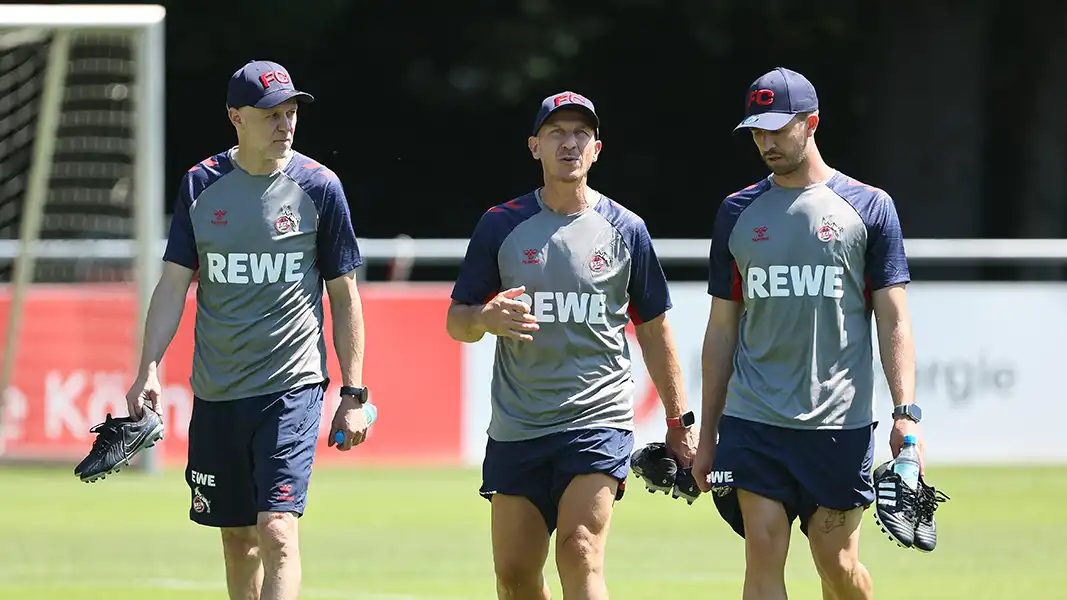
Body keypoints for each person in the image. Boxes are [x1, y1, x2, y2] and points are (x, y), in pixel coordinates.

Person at [76, 60, 370, 600]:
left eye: (291, 114)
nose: (285, 126)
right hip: (217, 392)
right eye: (270, 115)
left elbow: (343, 293)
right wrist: (147, 369)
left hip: (293, 387)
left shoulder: (319, 186)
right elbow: (172, 286)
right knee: (237, 538)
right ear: (236, 117)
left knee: (278, 530)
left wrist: (354, 392)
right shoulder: (200, 184)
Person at [446, 91, 697, 600]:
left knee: (580, 552)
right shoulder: (501, 224)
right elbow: (457, 322)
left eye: (581, 133)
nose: (570, 143)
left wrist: (679, 423)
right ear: (535, 146)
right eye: (557, 133)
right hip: (519, 426)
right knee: (515, 575)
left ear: (597, 149)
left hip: (595, 420)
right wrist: (485, 318)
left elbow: (655, 329)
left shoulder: (627, 230)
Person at [692, 67, 928, 600]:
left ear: (812, 123)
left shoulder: (869, 206)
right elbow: (722, 329)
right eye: (757, 130)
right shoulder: (736, 212)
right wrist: (708, 434)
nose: (766, 142)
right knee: (762, 561)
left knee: (838, 568)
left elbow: (894, 318)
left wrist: (905, 418)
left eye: (778, 128)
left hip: (836, 424)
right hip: (754, 420)